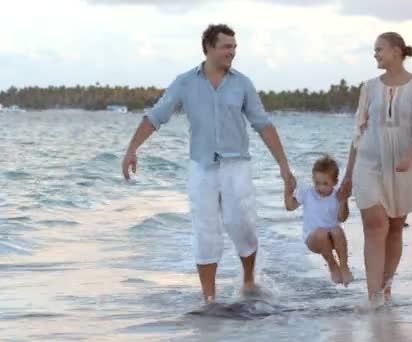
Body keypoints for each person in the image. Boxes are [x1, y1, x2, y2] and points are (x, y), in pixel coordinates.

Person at [121, 24, 295, 304]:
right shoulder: (185, 82)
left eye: (234, 47)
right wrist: (131, 149)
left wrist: (284, 167)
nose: (232, 52)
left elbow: (263, 125)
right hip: (201, 167)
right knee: (205, 231)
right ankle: (209, 300)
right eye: (227, 47)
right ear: (209, 48)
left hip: (236, 165)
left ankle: (249, 281)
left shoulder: (242, 83)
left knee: (241, 225)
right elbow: (156, 116)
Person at [341, 32, 412, 306]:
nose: (375, 54)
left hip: (404, 166)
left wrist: (410, 156)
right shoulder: (369, 88)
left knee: (394, 227)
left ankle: (386, 285)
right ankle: (373, 297)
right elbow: (358, 134)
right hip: (369, 162)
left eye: (379, 49)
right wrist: (346, 178)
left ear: (396, 50)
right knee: (374, 224)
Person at [285, 155, 353, 286]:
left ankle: (344, 266)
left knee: (337, 230)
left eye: (325, 184)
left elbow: (342, 218)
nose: (320, 187)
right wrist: (288, 188)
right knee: (321, 232)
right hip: (313, 239)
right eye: (317, 183)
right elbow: (290, 206)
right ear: (313, 180)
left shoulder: (337, 195)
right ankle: (332, 265)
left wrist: (344, 200)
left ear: (335, 182)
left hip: (333, 238)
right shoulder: (307, 192)